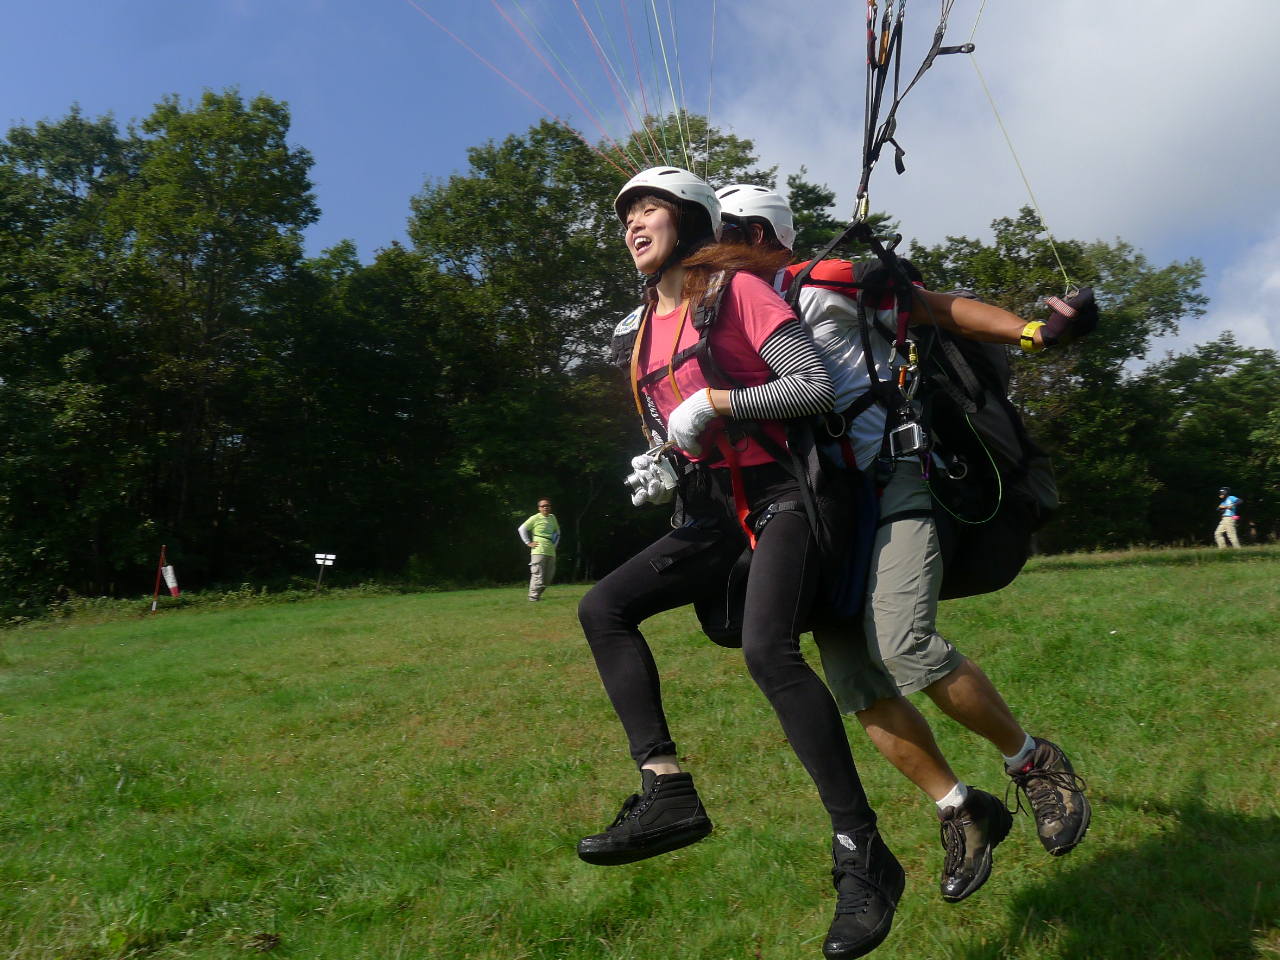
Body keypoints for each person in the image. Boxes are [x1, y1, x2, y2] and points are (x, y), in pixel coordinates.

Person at [717, 183, 1092, 903]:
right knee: (859, 684)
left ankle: (1031, 762)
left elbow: (935, 307)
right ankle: (962, 807)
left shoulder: (820, 279)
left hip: (890, 483)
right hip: (819, 513)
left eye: (728, 233)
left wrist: (1031, 333)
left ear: (763, 236)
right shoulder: (724, 320)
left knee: (905, 644)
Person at [577, 166, 903, 960]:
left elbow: (812, 387)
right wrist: (663, 456)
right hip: (715, 508)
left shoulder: (736, 293)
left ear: (689, 219)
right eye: (625, 215)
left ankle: (863, 855)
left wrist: (715, 405)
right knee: (602, 608)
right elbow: (679, 424)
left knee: (769, 651)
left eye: (647, 208)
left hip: (788, 492)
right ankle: (666, 790)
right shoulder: (646, 331)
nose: (631, 223)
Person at [519, 499, 560, 601]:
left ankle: (537, 594)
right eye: (543, 506)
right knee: (538, 575)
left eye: (547, 505)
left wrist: (555, 544)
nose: (545, 507)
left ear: (550, 507)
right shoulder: (535, 518)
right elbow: (522, 529)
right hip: (538, 550)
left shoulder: (552, 518)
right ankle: (533, 597)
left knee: (548, 577)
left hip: (551, 551)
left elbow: (558, 532)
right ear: (539, 508)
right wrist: (528, 542)